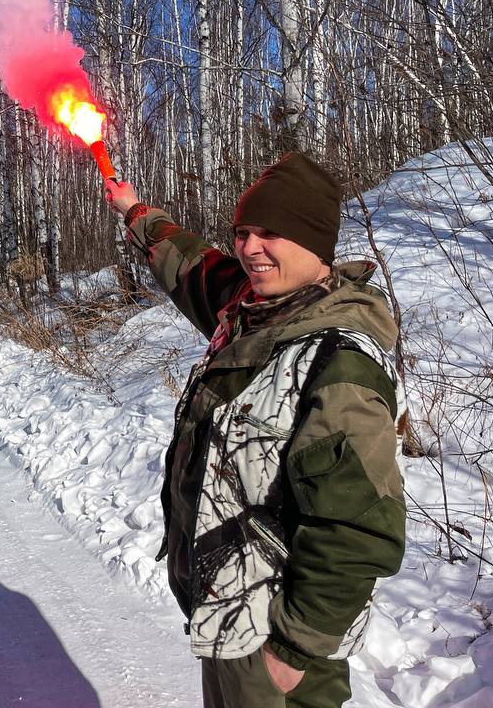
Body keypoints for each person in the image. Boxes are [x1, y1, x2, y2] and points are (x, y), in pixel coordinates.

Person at [104, 153, 406, 708]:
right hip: (228, 618)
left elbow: (356, 529)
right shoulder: (253, 311)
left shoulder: (338, 361)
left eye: (271, 233)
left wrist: (294, 650)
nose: (249, 248)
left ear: (316, 244)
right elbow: (190, 263)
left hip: (276, 643)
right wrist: (135, 212)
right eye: (243, 232)